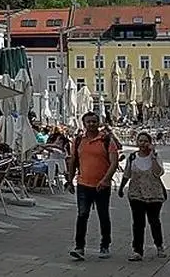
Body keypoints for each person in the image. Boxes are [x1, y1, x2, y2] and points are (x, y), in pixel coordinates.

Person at [66, 111, 120, 261]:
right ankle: (79, 247)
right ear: (84, 124)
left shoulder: (107, 140)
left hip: (102, 185)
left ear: (98, 123)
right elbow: (73, 161)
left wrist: (105, 179)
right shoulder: (78, 140)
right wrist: (70, 181)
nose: (91, 124)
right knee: (82, 215)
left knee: (103, 215)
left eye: (94, 121)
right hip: (83, 184)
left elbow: (114, 162)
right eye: (88, 122)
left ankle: (105, 245)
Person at [117, 132, 167, 261]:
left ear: (150, 143)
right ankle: (137, 251)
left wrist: (153, 156)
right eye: (140, 141)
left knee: (154, 221)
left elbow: (158, 173)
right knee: (138, 223)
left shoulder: (155, 156)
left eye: (146, 141)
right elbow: (127, 173)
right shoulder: (132, 157)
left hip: (154, 195)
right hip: (136, 194)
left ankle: (159, 246)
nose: (143, 144)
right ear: (137, 142)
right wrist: (122, 187)